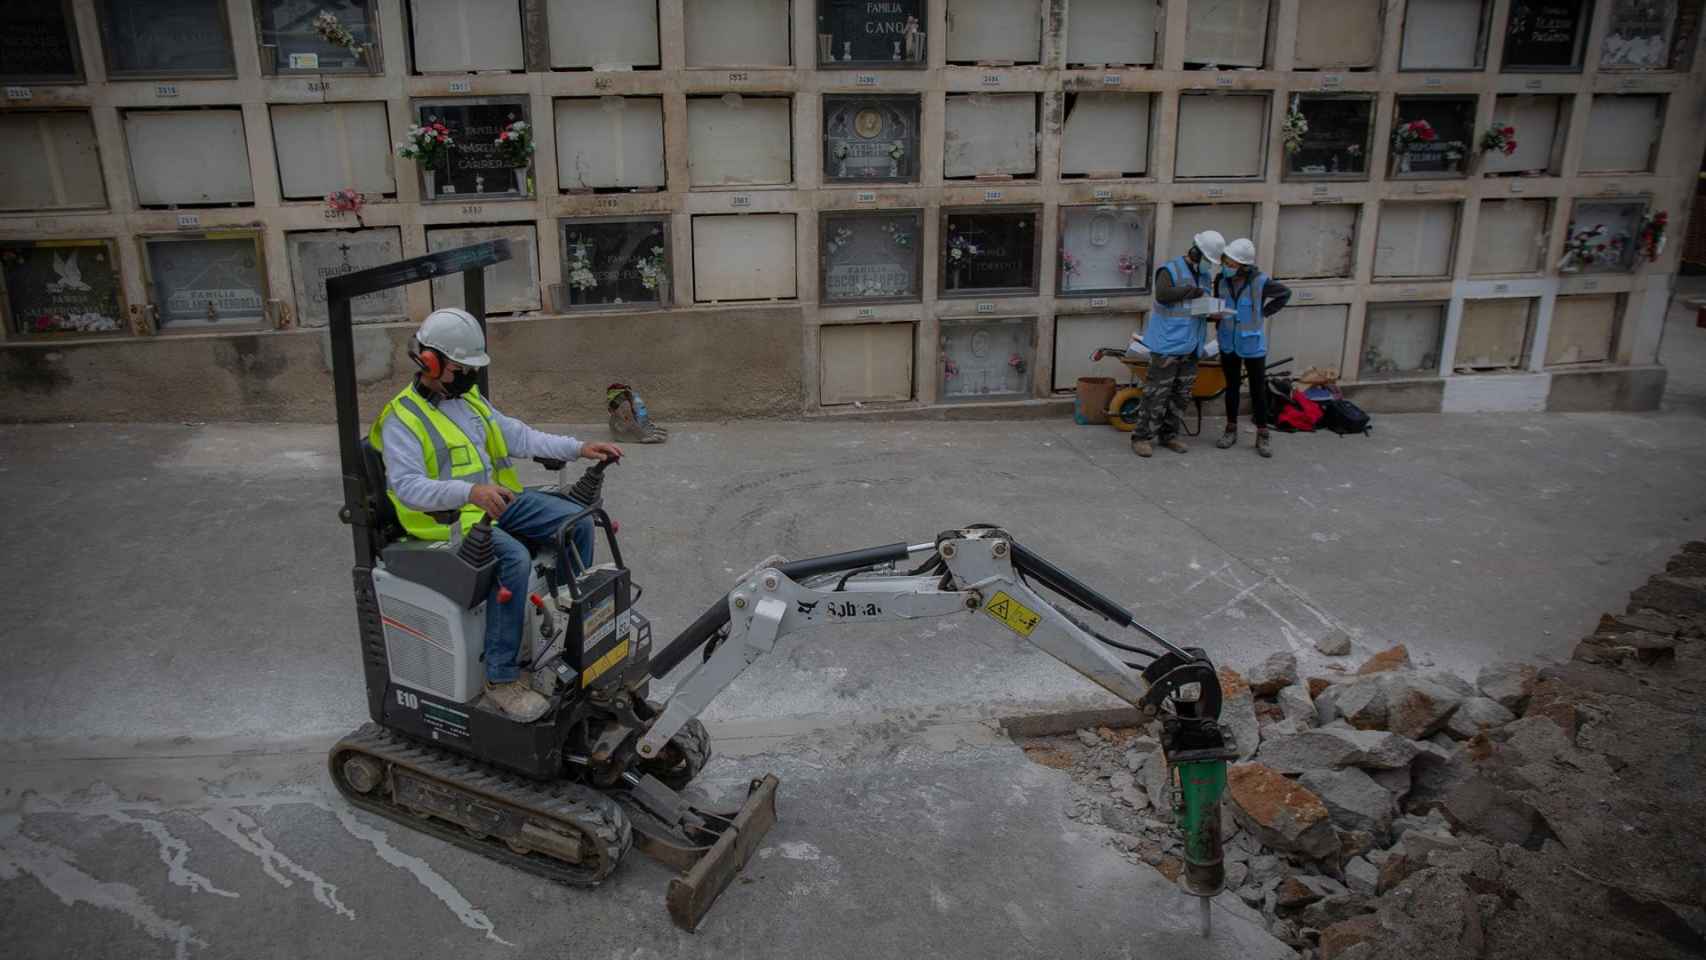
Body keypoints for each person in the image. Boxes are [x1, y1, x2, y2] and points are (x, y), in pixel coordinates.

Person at [370, 308, 624, 721]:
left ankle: (559, 630)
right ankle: (501, 679)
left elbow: (520, 436)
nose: (470, 377)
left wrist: (579, 448)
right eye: (461, 368)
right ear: (430, 362)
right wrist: (470, 492)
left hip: (495, 504)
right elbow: (408, 488)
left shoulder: (467, 399)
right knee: (513, 560)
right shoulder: (402, 419)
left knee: (575, 521)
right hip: (450, 523)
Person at [1132, 230, 1225, 458]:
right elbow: (1163, 296)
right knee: (1156, 395)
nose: (1209, 266)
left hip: (1192, 346)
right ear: (1195, 251)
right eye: (1207, 260)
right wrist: (1191, 292)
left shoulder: (1203, 277)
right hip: (1168, 345)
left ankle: (1169, 435)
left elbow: (1195, 308)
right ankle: (1142, 437)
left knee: (1180, 395)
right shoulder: (1169, 270)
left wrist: (1214, 312)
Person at [1213, 238, 1291, 459]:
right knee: (1232, 387)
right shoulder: (1220, 279)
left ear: (1243, 265)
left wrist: (1264, 313)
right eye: (1225, 261)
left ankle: (1263, 434)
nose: (1226, 266)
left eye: (1231, 263)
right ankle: (1230, 429)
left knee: (1257, 389)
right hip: (1228, 341)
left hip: (1252, 343)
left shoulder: (1260, 281)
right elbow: (1218, 303)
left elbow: (1285, 294)